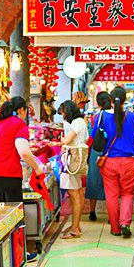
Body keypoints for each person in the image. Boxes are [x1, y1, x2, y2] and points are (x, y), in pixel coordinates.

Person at [94, 86, 134, 238]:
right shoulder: (133, 117)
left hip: (109, 161)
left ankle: (115, 228)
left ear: (110, 99)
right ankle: (125, 223)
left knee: (112, 195)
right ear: (125, 99)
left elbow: (94, 136)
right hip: (128, 162)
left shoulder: (101, 117)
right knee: (127, 193)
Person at [0, 96, 44, 203]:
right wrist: (37, 168)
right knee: (13, 212)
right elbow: (24, 152)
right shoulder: (19, 125)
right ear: (21, 110)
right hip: (8, 176)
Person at [58, 99, 88, 239]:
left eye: (63, 113)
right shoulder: (81, 121)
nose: (62, 116)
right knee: (78, 193)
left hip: (72, 161)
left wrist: (61, 140)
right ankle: (76, 225)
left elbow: (67, 140)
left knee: (74, 194)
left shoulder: (76, 122)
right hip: (77, 161)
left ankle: (75, 228)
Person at [85, 91, 112, 221]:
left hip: (97, 151)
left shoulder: (96, 117)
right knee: (110, 183)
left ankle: (92, 212)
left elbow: (92, 134)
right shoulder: (115, 116)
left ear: (98, 102)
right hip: (111, 151)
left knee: (93, 180)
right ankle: (111, 214)